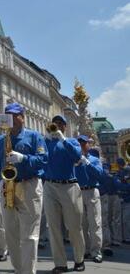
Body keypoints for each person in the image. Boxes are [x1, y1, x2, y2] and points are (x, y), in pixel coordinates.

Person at [0, 103, 47, 274]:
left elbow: (43, 160)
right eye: (8, 116)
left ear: (23, 117)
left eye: (15, 115)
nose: (11, 119)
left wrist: (23, 158)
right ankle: (18, 269)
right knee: (10, 233)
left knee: (29, 235)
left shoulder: (34, 136)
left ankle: (28, 272)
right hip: (8, 186)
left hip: (29, 185)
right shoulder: (0, 140)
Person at [44, 115, 85, 273]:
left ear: (65, 127)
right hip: (50, 186)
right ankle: (60, 263)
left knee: (74, 227)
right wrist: (46, 140)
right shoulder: (46, 141)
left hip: (69, 186)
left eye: (60, 124)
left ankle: (79, 259)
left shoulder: (71, 141)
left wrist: (63, 139)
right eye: (55, 123)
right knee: (53, 227)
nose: (57, 126)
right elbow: (41, 158)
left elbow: (77, 156)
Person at [74, 135, 103, 263]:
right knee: (82, 224)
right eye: (79, 143)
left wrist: (88, 163)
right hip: (78, 191)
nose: (82, 145)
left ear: (88, 145)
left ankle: (96, 251)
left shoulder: (95, 159)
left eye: (84, 143)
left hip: (91, 191)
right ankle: (85, 250)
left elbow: (99, 174)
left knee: (95, 223)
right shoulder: (74, 159)